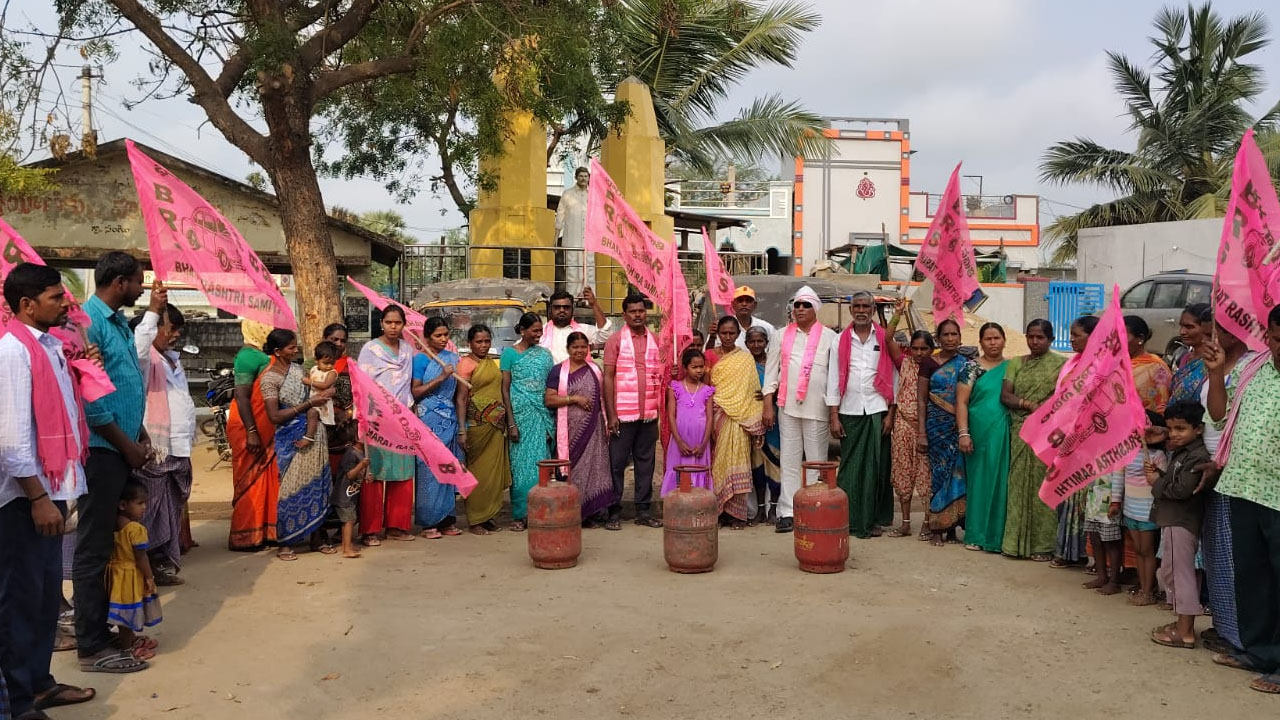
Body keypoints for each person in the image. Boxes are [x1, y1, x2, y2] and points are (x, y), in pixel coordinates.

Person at [1, 263, 103, 712]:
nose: (66, 303)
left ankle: (40, 681)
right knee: (21, 601)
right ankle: (20, 699)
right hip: (24, 500)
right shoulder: (12, 353)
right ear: (27, 304)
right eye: (56, 297)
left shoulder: (50, 349)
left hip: (50, 492)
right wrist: (39, 498)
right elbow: (11, 437)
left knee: (45, 600)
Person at [76, 251, 154, 673]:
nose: (142, 288)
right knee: (94, 548)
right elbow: (93, 404)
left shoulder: (118, 322)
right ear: (121, 282)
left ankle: (108, 628)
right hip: (102, 450)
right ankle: (91, 645)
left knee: (112, 544)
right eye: (139, 281)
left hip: (120, 444)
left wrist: (138, 433)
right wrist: (127, 445)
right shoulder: (88, 323)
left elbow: (122, 385)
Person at [1203, 305, 1280, 694]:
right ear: (1267, 337)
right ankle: (1260, 651)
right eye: (1278, 339)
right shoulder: (1253, 370)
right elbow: (1218, 416)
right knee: (1253, 576)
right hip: (1243, 488)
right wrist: (1217, 374)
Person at [825, 291, 903, 539]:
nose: (861, 310)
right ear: (851, 310)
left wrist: (891, 414)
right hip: (849, 410)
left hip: (877, 409)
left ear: (872, 309)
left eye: (865, 306)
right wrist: (834, 415)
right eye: (856, 306)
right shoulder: (840, 340)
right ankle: (848, 518)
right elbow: (833, 379)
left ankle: (872, 519)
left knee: (876, 469)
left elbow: (894, 377)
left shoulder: (884, 338)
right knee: (850, 468)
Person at [129, 298, 196, 586]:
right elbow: (139, 347)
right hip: (157, 447)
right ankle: (141, 569)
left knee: (168, 510)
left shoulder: (171, 358)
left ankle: (158, 562)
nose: (176, 334)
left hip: (177, 447)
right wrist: (155, 309)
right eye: (171, 327)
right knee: (149, 510)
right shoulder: (144, 359)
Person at [1199, 324, 1255, 654]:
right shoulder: (1215, 364)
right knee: (1218, 556)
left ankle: (1242, 637)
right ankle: (1225, 628)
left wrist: (1222, 462)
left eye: (1217, 331)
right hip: (1214, 470)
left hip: (1237, 474)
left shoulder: (1251, 366)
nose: (1212, 338)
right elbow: (1215, 416)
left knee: (1238, 559)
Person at [763, 286, 837, 534]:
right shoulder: (781, 335)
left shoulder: (829, 337)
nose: (800, 309)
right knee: (790, 459)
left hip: (817, 407)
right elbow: (772, 372)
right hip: (788, 406)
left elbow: (834, 377)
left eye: (806, 305)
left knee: (816, 460)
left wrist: (834, 410)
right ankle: (787, 512)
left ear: (815, 308)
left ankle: (814, 507)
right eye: (797, 305)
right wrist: (767, 405)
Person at [260, 329, 334, 560]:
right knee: (290, 489)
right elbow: (274, 416)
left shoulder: (298, 369)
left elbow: (316, 390)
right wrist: (309, 404)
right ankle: (285, 542)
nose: (296, 350)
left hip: (314, 432)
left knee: (318, 486)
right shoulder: (269, 378)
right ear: (277, 351)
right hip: (289, 437)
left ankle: (317, 537)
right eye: (291, 347)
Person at [1000, 319, 1066, 560]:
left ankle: (1043, 546)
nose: (1034, 342)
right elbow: (1006, 395)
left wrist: (1045, 414)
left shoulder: (1061, 365)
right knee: (1017, 486)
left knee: (1043, 486)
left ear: (1051, 340)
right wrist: (1028, 404)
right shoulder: (1017, 363)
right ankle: (1014, 543)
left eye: (1040, 337)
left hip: (1046, 435)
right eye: (1030, 336)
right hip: (1020, 430)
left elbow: (1066, 400)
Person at [1148, 400, 1211, 650]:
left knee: (1179, 575)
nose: (1174, 434)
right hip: (1175, 519)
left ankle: (1185, 632)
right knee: (1173, 573)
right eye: (1171, 428)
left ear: (1198, 429)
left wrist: (1156, 483)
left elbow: (1183, 490)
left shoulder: (1197, 457)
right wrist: (1160, 476)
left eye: (1181, 429)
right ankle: (1180, 624)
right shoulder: (1183, 452)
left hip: (1181, 520)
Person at [603, 293, 664, 530]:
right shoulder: (615, 340)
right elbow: (608, 378)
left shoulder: (655, 340)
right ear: (624, 314)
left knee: (645, 462)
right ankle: (613, 511)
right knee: (616, 463)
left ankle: (643, 510)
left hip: (649, 414)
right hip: (623, 414)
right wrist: (611, 414)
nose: (638, 315)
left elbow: (661, 373)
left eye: (641, 310)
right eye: (633, 311)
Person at [356, 307, 417, 544]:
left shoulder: (407, 350)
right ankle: (369, 530)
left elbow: (408, 385)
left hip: (402, 419)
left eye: (398, 322)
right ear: (381, 323)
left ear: (403, 325)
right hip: (376, 420)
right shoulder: (370, 349)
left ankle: (396, 526)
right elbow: (362, 386)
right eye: (389, 322)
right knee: (375, 474)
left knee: (402, 473)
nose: (393, 326)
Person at [1048, 316, 1102, 569]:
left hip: (1090, 442)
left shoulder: (1102, 366)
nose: (1071, 338)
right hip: (1066, 438)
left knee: (1084, 499)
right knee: (1065, 494)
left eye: (1076, 334)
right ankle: (1066, 550)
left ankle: (1085, 553)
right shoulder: (1071, 364)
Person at [545, 332, 615, 523]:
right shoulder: (558, 371)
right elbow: (549, 399)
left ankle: (592, 511)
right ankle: (573, 511)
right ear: (568, 349)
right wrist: (573, 398)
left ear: (588, 348)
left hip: (594, 429)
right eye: (575, 347)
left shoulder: (595, 369)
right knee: (573, 468)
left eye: (583, 347)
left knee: (596, 467)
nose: (579, 350)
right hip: (570, 431)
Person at [918, 319, 973, 546]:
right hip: (936, 427)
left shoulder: (967, 363)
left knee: (959, 475)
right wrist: (921, 432)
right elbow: (921, 401)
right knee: (939, 475)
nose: (951, 338)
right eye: (946, 335)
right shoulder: (929, 363)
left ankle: (951, 527)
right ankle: (936, 528)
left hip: (958, 427)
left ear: (960, 337)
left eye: (954, 334)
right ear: (938, 338)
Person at [956, 322, 1010, 552]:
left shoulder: (1012, 367)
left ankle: (999, 537)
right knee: (979, 482)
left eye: (997, 338)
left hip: (1005, 433)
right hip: (978, 433)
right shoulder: (971, 368)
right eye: (988, 339)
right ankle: (977, 535)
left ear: (1004, 340)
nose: (993, 343)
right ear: (981, 342)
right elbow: (961, 402)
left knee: (1003, 482)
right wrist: (964, 433)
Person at [227, 318, 279, 551]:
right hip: (250, 426)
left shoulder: (261, 354)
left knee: (269, 477)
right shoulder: (248, 356)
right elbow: (242, 396)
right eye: (266, 327)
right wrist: (252, 431)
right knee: (250, 482)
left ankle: (267, 530)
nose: (269, 330)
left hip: (267, 426)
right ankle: (246, 535)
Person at [410, 317, 464, 539]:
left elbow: (460, 395)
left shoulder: (453, 359)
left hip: (449, 418)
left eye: (446, 335)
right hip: (428, 419)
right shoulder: (420, 360)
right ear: (427, 337)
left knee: (448, 468)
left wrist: (461, 427)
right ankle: (429, 522)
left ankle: (447, 520)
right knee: (429, 471)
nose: (443, 339)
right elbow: (416, 392)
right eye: (438, 336)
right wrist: (441, 378)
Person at [709, 317, 765, 527]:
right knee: (719, 463)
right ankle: (720, 512)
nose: (727, 337)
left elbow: (752, 391)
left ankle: (737, 515)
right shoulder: (711, 356)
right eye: (724, 333)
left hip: (740, 419)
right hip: (718, 416)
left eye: (731, 333)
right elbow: (707, 386)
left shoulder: (745, 359)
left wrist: (754, 413)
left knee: (740, 463)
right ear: (718, 334)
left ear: (738, 334)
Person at [455, 325, 511, 535]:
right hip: (477, 427)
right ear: (470, 343)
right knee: (477, 473)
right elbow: (461, 399)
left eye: (487, 341)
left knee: (492, 475)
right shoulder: (465, 365)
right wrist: (462, 429)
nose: (484, 345)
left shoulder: (491, 363)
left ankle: (489, 517)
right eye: (479, 341)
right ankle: (475, 520)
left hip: (495, 427)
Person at [501, 312, 554, 531]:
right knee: (521, 469)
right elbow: (505, 389)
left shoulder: (545, 355)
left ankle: (541, 512)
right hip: (520, 418)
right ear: (522, 331)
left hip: (542, 417)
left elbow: (549, 386)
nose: (538, 335)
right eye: (534, 330)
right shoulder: (509, 354)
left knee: (541, 466)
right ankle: (520, 515)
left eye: (540, 330)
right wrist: (511, 423)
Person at [107, 480, 161, 659]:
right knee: (128, 613)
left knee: (123, 611)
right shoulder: (135, 529)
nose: (144, 507)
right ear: (123, 505)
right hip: (129, 576)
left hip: (114, 573)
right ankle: (127, 649)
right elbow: (141, 557)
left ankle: (129, 641)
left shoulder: (111, 526)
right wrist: (150, 577)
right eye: (140, 503)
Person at [889, 331, 936, 539]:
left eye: (923, 348)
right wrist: (898, 313)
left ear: (931, 349)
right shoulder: (904, 363)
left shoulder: (936, 367)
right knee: (902, 473)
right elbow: (888, 339)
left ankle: (927, 522)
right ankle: (905, 523)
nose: (919, 353)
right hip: (902, 425)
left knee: (925, 476)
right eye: (915, 348)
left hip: (925, 429)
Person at [1124, 412, 1168, 607]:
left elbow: (1162, 481)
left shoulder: (1158, 456)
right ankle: (1143, 588)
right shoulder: (1128, 452)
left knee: (1147, 551)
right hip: (1130, 508)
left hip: (1147, 510)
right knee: (1138, 551)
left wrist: (1154, 471)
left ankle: (1149, 591)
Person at [661, 347, 714, 496]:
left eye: (701, 367)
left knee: (699, 469)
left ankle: (697, 507)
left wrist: (704, 444)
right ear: (685, 368)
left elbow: (710, 418)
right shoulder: (675, 387)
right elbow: (671, 415)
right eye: (694, 367)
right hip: (680, 439)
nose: (699, 371)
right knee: (680, 470)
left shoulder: (707, 390)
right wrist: (678, 441)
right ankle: (679, 507)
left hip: (700, 440)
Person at [746, 326, 781, 524]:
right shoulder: (742, 364)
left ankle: (773, 510)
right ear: (746, 344)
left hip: (773, 421)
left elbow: (784, 384)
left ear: (767, 343)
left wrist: (770, 394)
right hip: (751, 421)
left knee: (775, 465)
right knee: (756, 467)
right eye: (752, 341)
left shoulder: (774, 364)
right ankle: (759, 509)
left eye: (760, 341)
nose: (756, 345)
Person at [320, 324, 356, 478]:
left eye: (343, 341)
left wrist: (348, 413)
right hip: (320, 424)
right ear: (324, 339)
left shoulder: (352, 365)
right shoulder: (312, 365)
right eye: (334, 339)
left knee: (343, 473)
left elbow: (360, 395)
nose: (339, 344)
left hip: (345, 426)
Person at [540, 287, 612, 364]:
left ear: (572, 309)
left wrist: (594, 304)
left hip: (578, 375)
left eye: (566, 307)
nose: (562, 310)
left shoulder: (583, 330)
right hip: (549, 375)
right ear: (551, 309)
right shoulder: (541, 331)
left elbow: (605, 336)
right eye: (557, 307)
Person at [555, 166, 592, 293]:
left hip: (588, 240)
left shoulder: (592, 196)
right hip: (572, 239)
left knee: (589, 269)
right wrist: (555, 238)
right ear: (576, 177)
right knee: (571, 269)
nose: (583, 179)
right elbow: (560, 215)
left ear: (589, 178)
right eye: (581, 176)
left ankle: (587, 298)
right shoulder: (568, 194)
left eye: (586, 176)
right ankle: (573, 297)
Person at [1125, 315, 1173, 414]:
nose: (1117, 342)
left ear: (1140, 339)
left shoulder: (1156, 367)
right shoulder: (1115, 364)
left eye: (1122, 336)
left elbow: (1161, 401)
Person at [1170, 303, 1213, 404]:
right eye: (1181, 326)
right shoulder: (1184, 357)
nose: (1182, 332)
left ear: (1206, 327)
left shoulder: (1213, 360)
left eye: (1189, 327)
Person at [331, 442, 367, 559]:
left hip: (352, 494)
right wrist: (361, 465)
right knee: (349, 520)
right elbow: (350, 475)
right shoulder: (350, 454)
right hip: (344, 494)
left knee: (348, 520)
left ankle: (346, 544)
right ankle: (347, 550)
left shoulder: (362, 452)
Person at [725, 285, 776, 351]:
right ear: (733, 304)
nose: (744, 304)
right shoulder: (724, 328)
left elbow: (775, 351)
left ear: (755, 305)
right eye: (740, 301)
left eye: (748, 301)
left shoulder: (767, 328)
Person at [306, 342, 340, 426]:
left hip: (323, 402)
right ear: (316, 361)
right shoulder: (313, 369)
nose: (329, 366)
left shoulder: (332, 373)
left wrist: (309, 382)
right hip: (312, 398)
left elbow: (325, 385)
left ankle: (309, 436)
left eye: (332, 363)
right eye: (325, 363)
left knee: (315, 416)